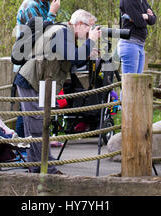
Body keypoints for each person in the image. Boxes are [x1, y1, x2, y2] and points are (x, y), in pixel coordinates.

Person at [14, 10, 101, 174]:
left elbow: (73, 59)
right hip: (31, 81)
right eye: (90, 26)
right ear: (79, 24)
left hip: (39, 82)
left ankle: (38, 165)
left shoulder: (65, 33)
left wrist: (89, 52)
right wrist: (90, 41)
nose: (92, 30)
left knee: (39, 124)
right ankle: (46, 170)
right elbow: (75, 58)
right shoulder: (61, 33)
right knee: (37, 126)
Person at [14, 0, 61, 140]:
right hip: (26, 64)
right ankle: (25, 149)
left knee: (33, 109)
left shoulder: (45, 3)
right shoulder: (30, 6)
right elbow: (40, 34)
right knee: (27, 111)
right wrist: (52, 14)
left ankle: (33, 146)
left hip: (38, 63)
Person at [118, 0, 156, 74]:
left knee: (137, 85)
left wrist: (145, 16)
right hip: (130, 44)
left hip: (140, 44)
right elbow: (140, 22)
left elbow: (153, 20)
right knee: (130, 85)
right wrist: (145, 16)